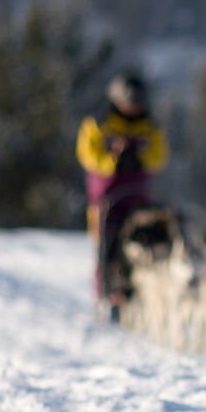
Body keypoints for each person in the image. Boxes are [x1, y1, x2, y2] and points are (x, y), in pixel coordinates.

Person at [76, 71, 169, 305]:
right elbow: (87, 154)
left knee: (145, 241)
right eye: (130, 103)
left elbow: (159, 155)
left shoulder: (149, 126)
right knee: (109, 244)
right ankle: (107, 293)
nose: (134, 108)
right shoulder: (99, 122)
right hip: (107, 197)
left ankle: (141, 295)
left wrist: (140, 158)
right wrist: (112, 161)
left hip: (138, 196)